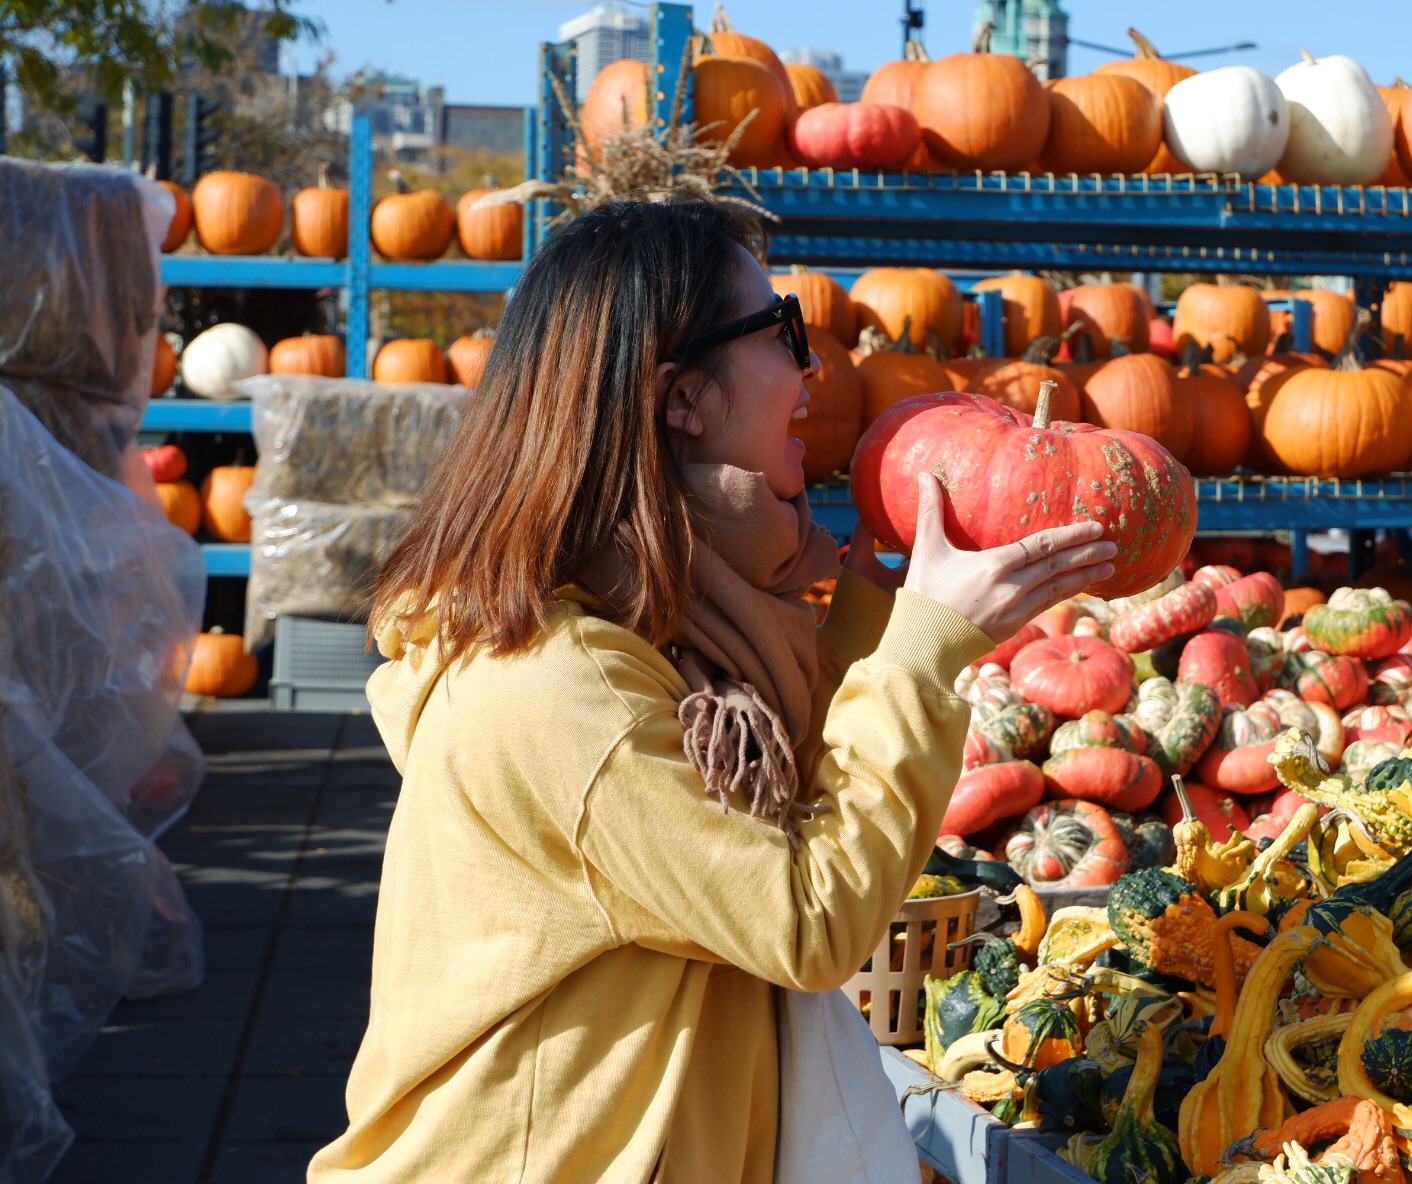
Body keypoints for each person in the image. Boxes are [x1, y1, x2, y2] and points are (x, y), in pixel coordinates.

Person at [308, 196, 1115, 1184]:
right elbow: (805, 916)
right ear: (684, 398)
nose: (814, 368)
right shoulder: (560, 688)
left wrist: (882, 600)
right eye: (782, 331)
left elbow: (801, 786)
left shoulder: (658, 624)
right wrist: (917, 656)